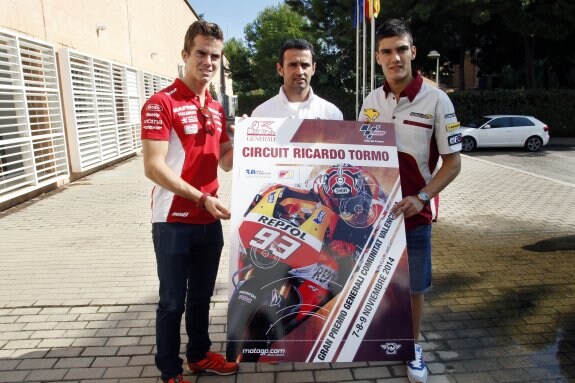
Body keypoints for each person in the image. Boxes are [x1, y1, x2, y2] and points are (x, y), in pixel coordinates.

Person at [358, 18, 462, 383]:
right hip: (375, 216)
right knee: (379, 283)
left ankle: (412, 347)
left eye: (401, 49)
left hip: (414, 215)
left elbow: (453, 164)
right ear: (378, 57)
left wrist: (422, 197)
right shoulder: (371, 101)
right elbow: (359, 155)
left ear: (413, 52)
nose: (394, 57)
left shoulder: (437, 99)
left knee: (415, 288)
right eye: (386, 51)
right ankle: (381, 337)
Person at [141, 20, 238, 383]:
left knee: (200, 298)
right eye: (201, 53)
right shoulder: (161, 103)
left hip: (208, 221)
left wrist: (259, 147)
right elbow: (153, 167)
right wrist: (201, 197)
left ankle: (199, 356)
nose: (208, 62)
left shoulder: (216, 107)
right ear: (185, 54)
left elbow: (227, 160)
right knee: (171, 302)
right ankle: (168, 370)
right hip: (173, 220)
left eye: (215, 56)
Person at [251, 38, 343, 119]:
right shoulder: (261, 114)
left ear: (313, 68)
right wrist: (243, 133)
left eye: (305, 65)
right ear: (280, 69)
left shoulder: (332, 114)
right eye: (293, 65)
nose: (300, 72)